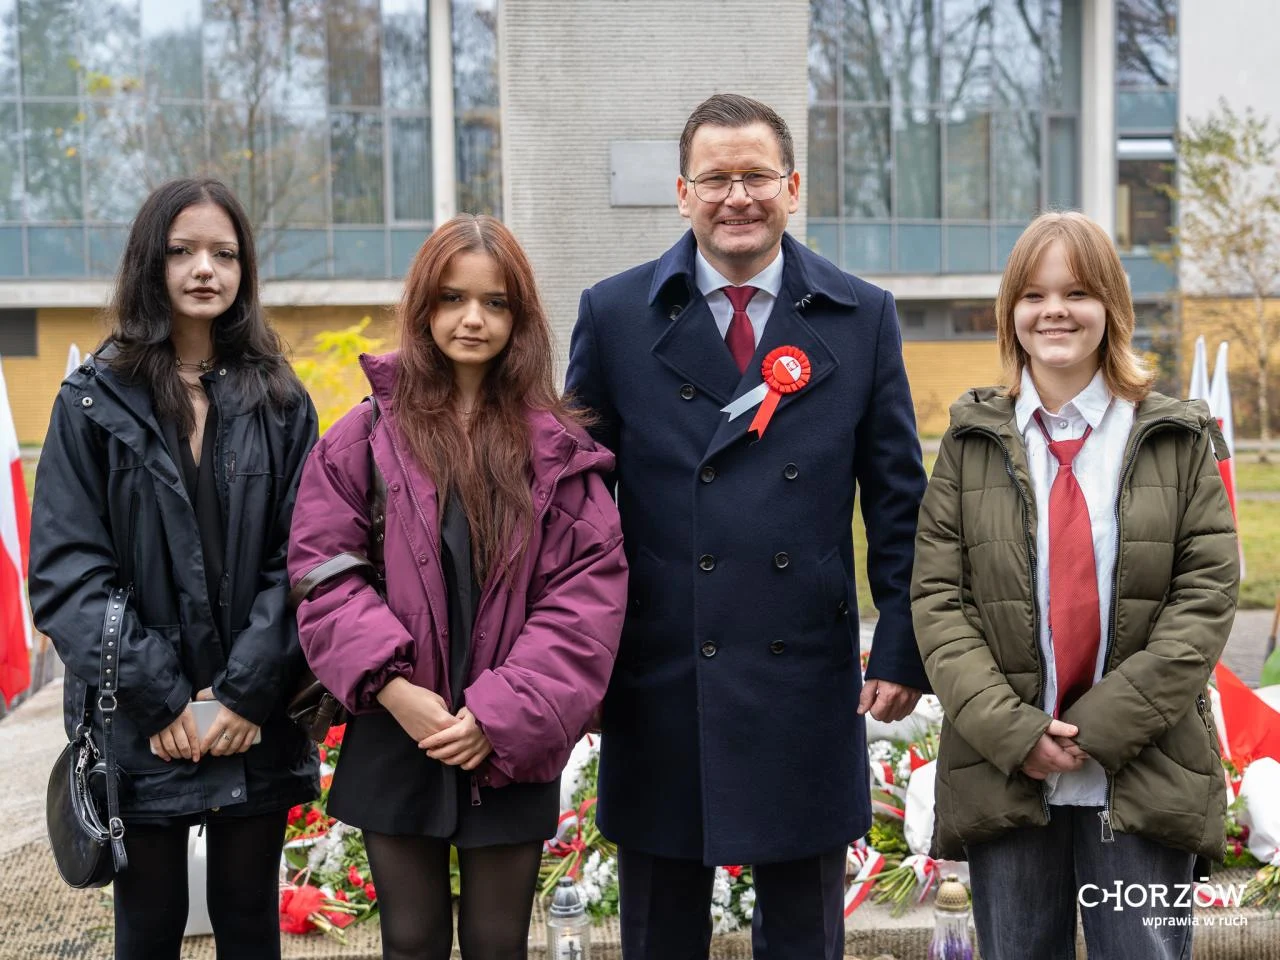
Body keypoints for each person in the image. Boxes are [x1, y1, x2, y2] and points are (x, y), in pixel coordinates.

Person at [565, 92, 928, 960]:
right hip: (660, 670)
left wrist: (904, 642)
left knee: (804, 934)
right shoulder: (613, 315)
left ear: (792, 188)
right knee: (659, 934)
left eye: (757, 176)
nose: (738, 197)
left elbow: (897, 501)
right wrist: (581, 658)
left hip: (802, 671)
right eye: (716, 179)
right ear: (682, 193)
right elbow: (578, 507)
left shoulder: (862, 315)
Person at [288, 214, 627, 960]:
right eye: (452, 298)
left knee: (496, 943)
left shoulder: (558, 452)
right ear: (424, 307)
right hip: (395, 720)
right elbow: (324, 574)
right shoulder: (363, 436)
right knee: (410, 940)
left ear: (520, 317)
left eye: (495, 302)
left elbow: (584, 603)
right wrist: (394, 690)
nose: (473, 319)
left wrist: (496, 716)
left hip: (513, 734)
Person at [912, 211, 1239, 960]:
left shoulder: (1176, 438)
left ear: (1111, 307)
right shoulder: (969, 443)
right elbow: (939, 600)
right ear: (1011, 313)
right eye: (1033, 294)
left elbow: (1206, 597)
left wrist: (1100, 730)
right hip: (1006, 775)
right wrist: (1016, 734)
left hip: (1144, 769)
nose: (1054, 310)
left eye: (1077, 292)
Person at [28, 177, 320, 960]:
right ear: (149, 264)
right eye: (182, 250)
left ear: (244, 270)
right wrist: (159, 699)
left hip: (252, 717)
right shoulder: (92, 402)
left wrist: (246, 691)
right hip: (138, 719)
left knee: (248, 918)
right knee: (148, 925)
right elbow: (65, 571)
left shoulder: (281, 402)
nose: (204, 269)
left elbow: (305, 556)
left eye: (224, 254)